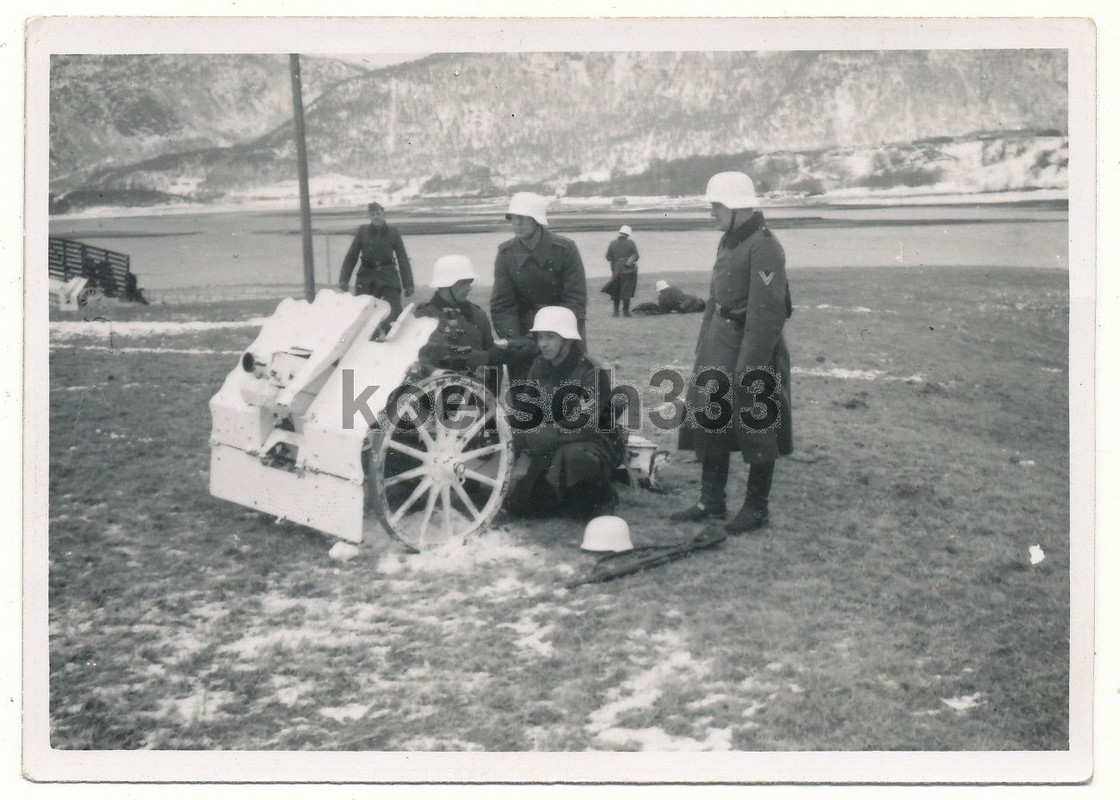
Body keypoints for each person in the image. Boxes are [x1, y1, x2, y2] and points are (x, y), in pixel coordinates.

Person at [672, 171, 794, 534]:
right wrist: (704, 344)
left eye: (716, 206)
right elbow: (715, 298)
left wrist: (750, 365)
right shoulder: (728, 241)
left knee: (757, 422)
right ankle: (711, 500)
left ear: (737, 206)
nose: (711, 213)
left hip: (750, 346)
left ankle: (756, 509)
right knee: (711, 416)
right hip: (719, 344)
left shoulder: (764, 245)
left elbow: (768, 311)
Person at [502, 306, 623, 522]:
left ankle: (602, 497)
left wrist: (537, 436)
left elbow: (585, 423)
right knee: (520, 505)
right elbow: (529, 408)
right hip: (550, 444)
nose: (542, 344)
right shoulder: (539, 365)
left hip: (589, 442)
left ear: (568, 340)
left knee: (575, 473)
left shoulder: (590, 371)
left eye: (550, 337)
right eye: (539, 337)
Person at [491, 192, 588, 379]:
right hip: (523, 335)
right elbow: (502, 305)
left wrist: (553, 336)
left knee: (569, 393)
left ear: (537, 220)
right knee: (524, 397)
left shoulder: (565, 249)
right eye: (513, 218)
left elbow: (575, 300)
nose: (516, 223)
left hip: (563, 332)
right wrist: (515, 341)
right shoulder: (506, 253)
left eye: (523, 218)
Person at [415, 254, 507, 376]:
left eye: (469, 283)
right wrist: (485, 358)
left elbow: (494, 365)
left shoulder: (478, 315)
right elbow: (439, 353)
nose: (469, 288)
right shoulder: (424, 317)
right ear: (446, 285)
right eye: (463, 283)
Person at [337, 202, 414, 321]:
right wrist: (344, 279)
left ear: (383, 214)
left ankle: (390, 335)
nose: (376, 217)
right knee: (363, 312)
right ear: (369, 216)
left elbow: (402, 258)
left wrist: (408, 284)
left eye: (378, 213)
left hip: (388, 278)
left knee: (393, 310)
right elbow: (351, 256)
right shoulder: (363, 232)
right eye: (373, 214)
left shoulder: (393, 232)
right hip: (366, 279)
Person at [604, 224, 640, 317]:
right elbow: (636, 256)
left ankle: (615, 312)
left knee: (616, 291)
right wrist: (628, 261)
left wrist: (616, 262)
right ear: (628, 234)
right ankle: (625, 312)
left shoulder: (612, 243)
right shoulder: (631, 243)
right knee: (626, 291)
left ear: (620, 233)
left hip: (616, 270)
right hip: (628, 270)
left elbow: (608, 257)